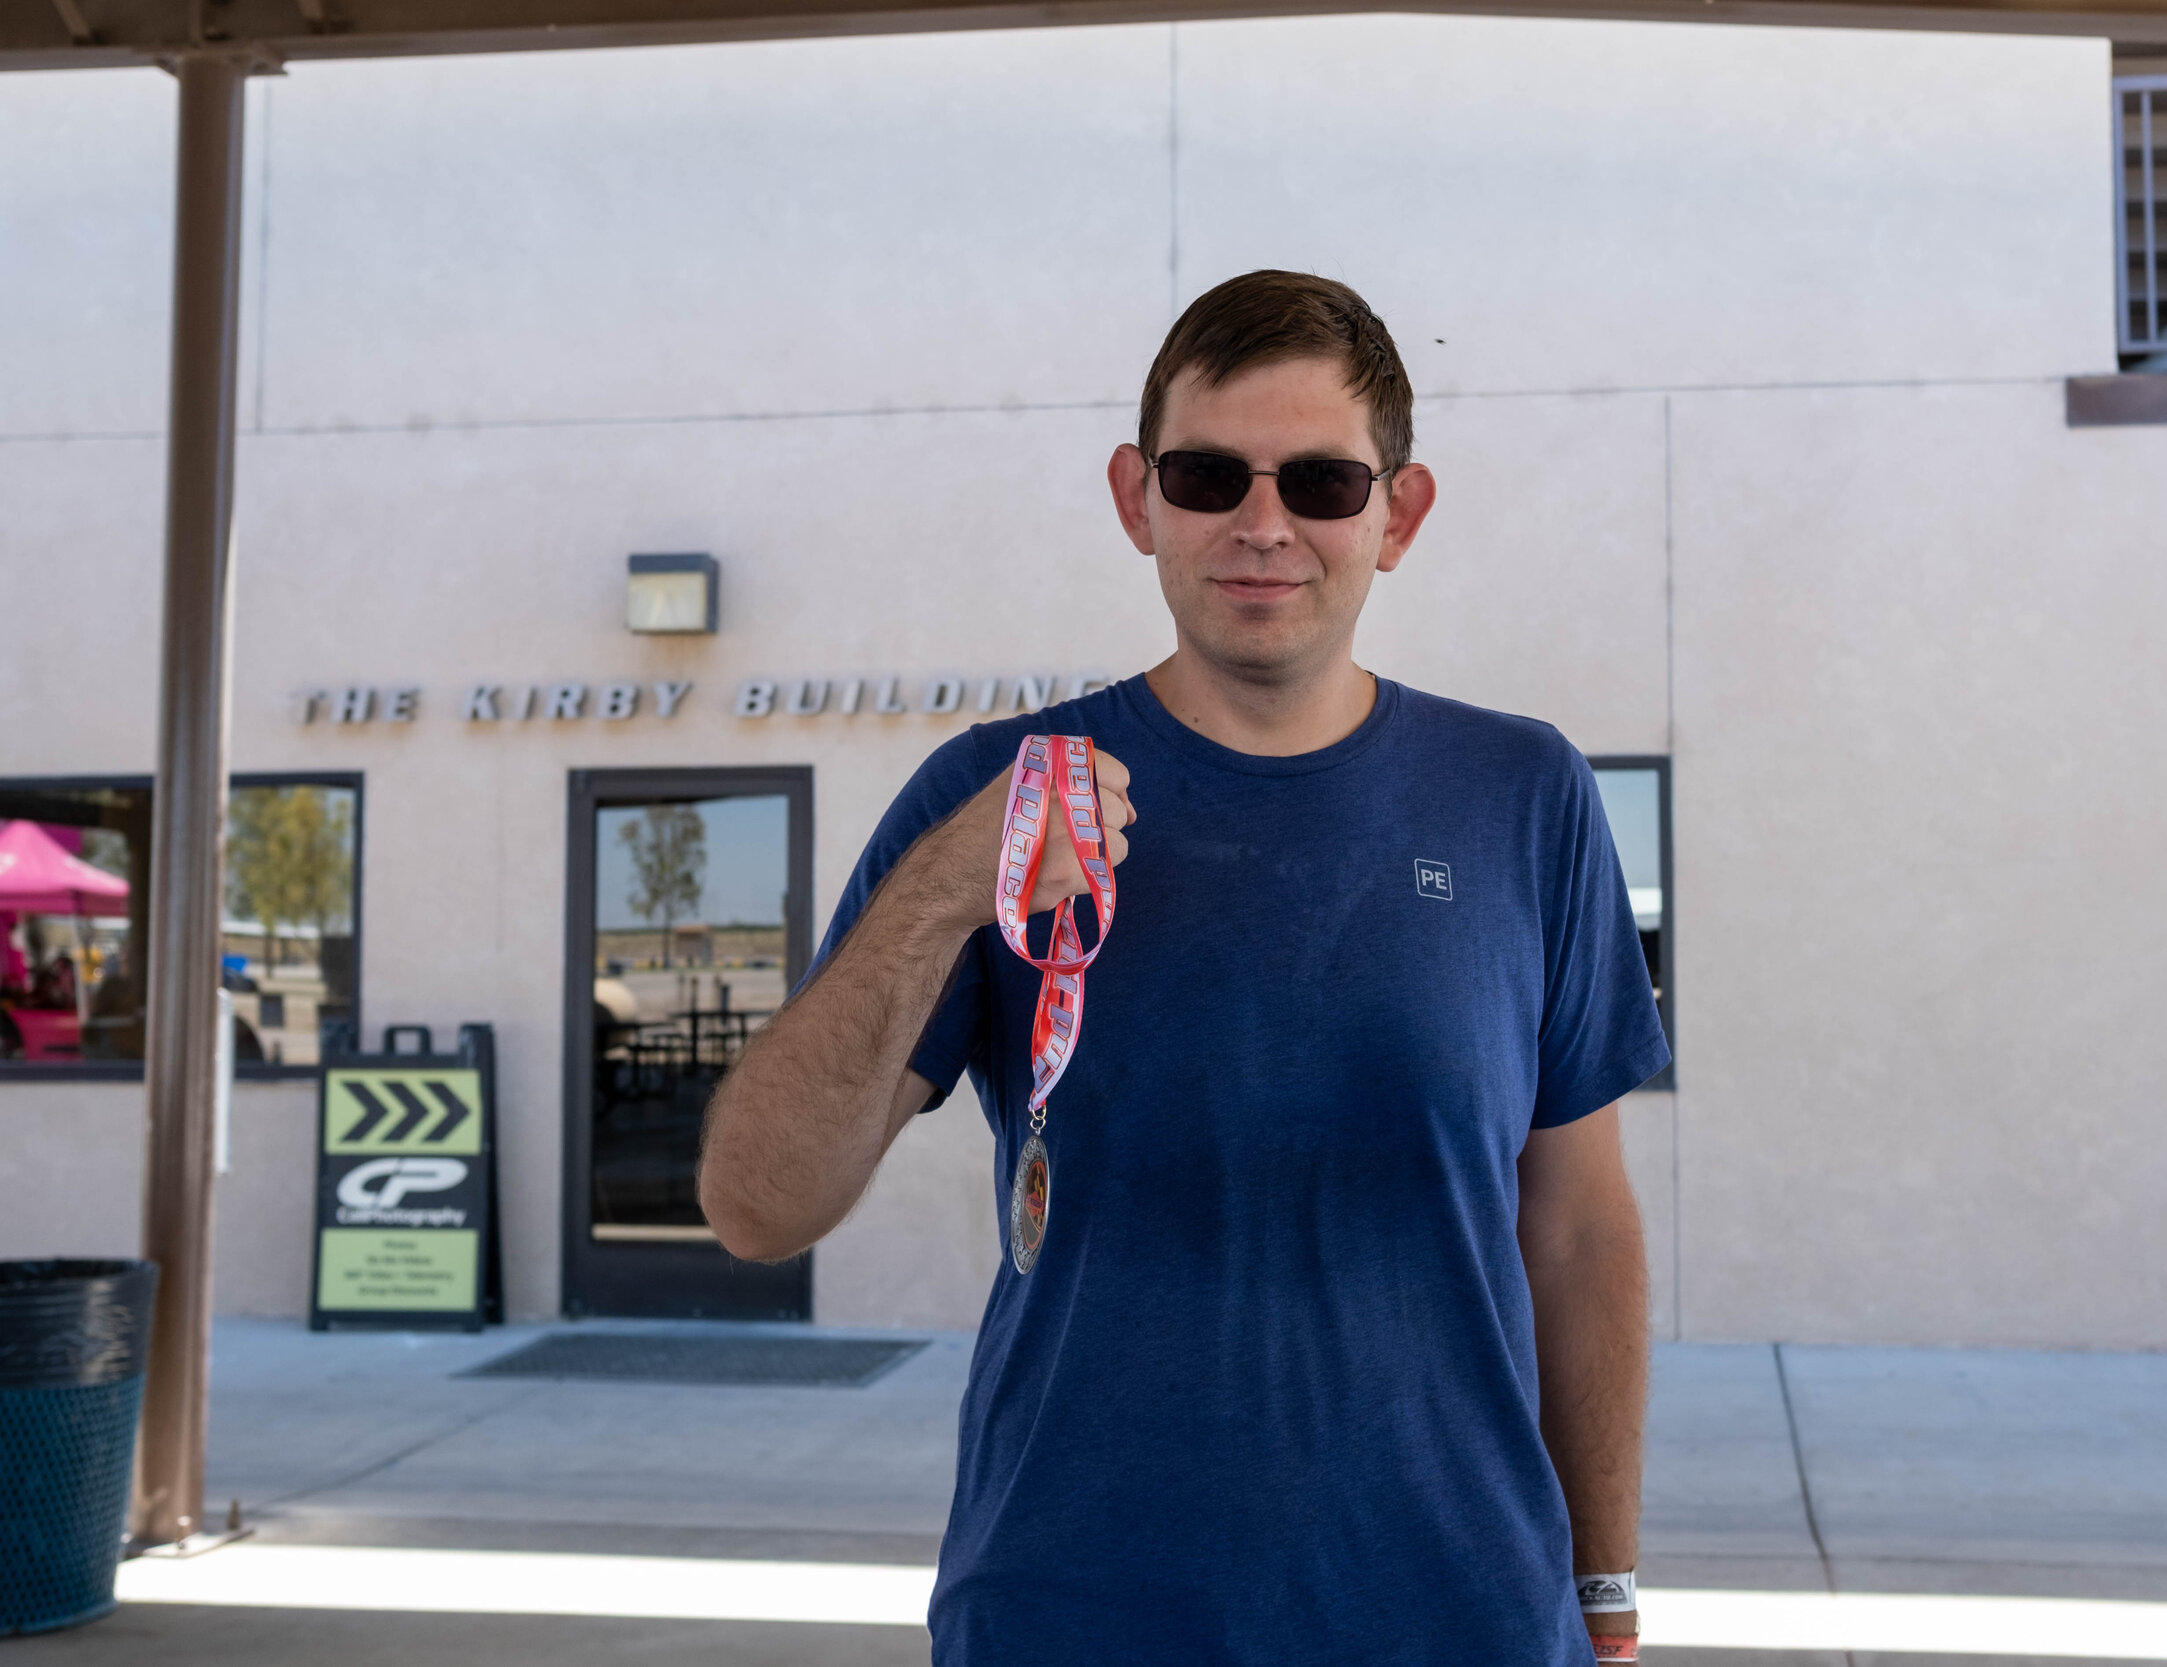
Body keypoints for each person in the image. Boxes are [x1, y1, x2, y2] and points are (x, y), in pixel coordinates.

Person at [701, 270, 1668, 1664]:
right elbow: (753, 1208)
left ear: (1397, 515)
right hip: (1071, 1619)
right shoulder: (996, 796)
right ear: (1135, 498)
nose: (1263, 525)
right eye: (1210, 475)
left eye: (1323, 483)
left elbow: (1579, 1230)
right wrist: (936, 900)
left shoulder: (1520, 796)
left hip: (1461, 1620)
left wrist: (1604, 1585)